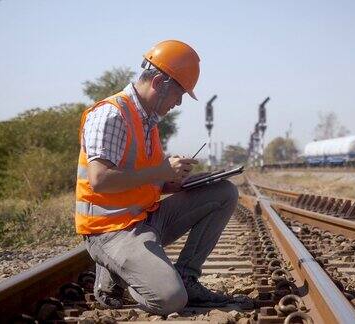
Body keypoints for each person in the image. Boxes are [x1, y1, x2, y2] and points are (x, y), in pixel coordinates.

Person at [74, 40, 238, 315]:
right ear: (159, 82)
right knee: (171, 299)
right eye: (179, 93)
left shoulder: (148, 121)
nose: (179, 102)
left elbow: (142, 179)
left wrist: (175, 182)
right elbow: (100, 179)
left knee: (224, 192)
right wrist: (161, 171)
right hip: (111, 230)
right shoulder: (110, 115)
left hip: (145, 218)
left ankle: (187, 277)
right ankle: (114, 271)